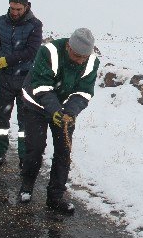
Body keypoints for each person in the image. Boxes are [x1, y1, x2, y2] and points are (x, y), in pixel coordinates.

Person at [18, 28, 100, 214]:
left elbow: (84, 91)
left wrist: (70, 112)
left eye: (84, 57)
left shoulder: (91, 61)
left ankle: (55, 197)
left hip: (64, 110)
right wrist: (55, 110)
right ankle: (27, 185)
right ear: (68, 47)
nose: (80, 61)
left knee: (64, 151)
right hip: (36, 105)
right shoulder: (49, 51)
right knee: (35, 148)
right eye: (77, 56)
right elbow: (41, 85)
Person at [0, 0, 43, 167]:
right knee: (0, 116)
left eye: (18, 9)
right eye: (12, 8)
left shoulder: (35, 24)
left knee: (25, 121)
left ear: (26, 6)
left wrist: (8, 60)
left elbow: (32, 51)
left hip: (26, 80)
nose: (15, 12)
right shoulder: (2, 21)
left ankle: (23, 156)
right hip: (4, 78)